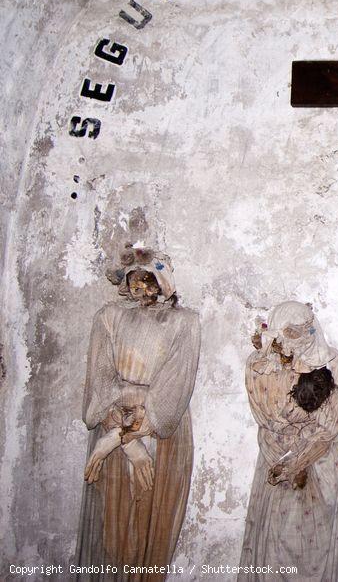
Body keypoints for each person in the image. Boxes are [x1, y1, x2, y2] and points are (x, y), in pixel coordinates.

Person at [76, 245, 201, 581]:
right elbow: (100, 376)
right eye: (134, 280)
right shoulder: (109, 316)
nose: (140, 287)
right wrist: (126, 441)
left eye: (148, 280)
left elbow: (176, 382)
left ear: (161, 282)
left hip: (157, 427)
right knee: (113, 521)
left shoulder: (183, 322)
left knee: (148, 516)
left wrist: (135, 431)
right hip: (114, 416)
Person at [239, 301, 338, 581]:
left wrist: (298, 463)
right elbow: (265, 418)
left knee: (316, 548)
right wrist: (282, 461)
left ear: (310, 329)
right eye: (284, 334)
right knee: (274, 548)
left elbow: (327, 427)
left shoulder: (332, 363)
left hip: (318, 462)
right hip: (275, 455)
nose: (289, 343)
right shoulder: (260, 365)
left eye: (296, 333)